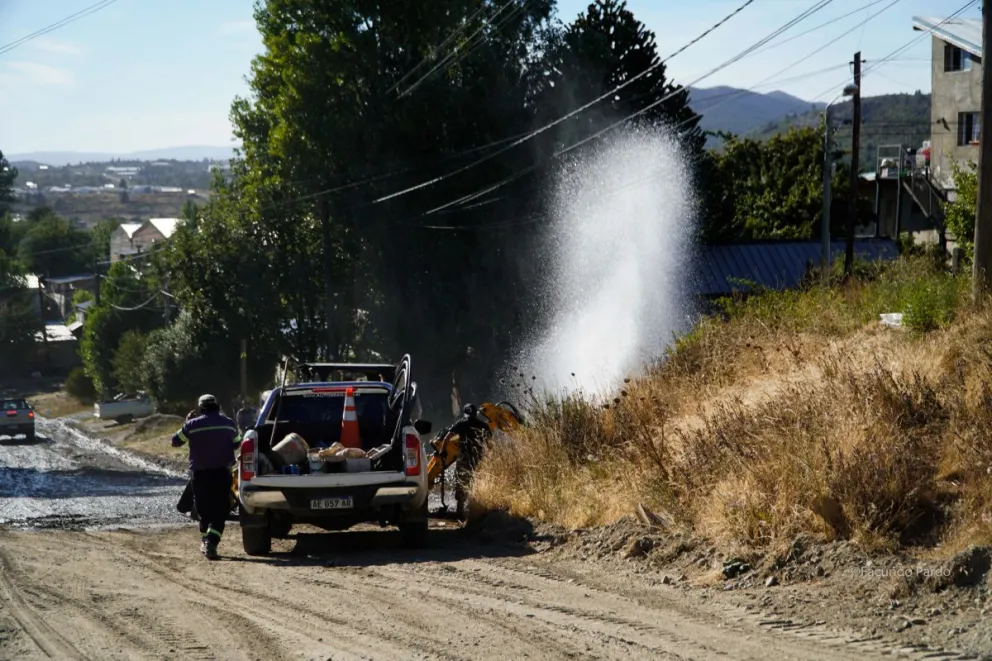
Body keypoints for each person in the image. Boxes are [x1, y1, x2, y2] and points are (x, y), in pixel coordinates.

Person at [171, 394, 241, 560]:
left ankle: (207, 540)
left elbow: (175, 441)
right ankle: (211, 542)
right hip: (222, 474)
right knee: (220, 510)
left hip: (200, 476)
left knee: (203, 511)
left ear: (201, 407)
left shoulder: (192, 425)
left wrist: (186, 423)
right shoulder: (229, 423)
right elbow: (237, 443)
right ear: (217, 405)